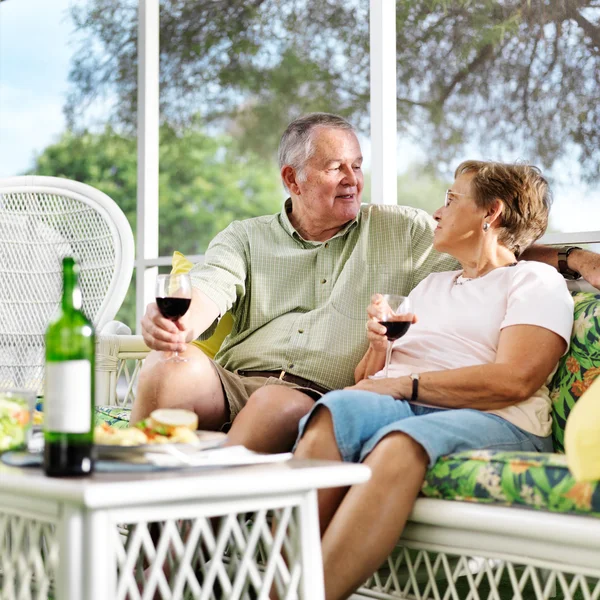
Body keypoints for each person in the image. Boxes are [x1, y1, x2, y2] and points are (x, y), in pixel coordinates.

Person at [132, 112, 598, 453]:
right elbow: (211, 288)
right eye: (336, 168)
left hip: (312, 394)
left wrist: (573, 257)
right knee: (164, 368)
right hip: (233, 381)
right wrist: (179, 326)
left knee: (274, 402)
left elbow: (490, 247)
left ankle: (199, 539)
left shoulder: (406, 230)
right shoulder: (246, 236)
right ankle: (140, 527)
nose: (353, 180)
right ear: (292, 178)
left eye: (357, 166)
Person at [292, 160, 574, 600]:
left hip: (498, 417)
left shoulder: (534, 280)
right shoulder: (431, 285)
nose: (437, 213)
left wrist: (406, 385)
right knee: (335, 409)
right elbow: (373, 380)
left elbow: (516, 379)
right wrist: (379, 348)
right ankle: (274, 584)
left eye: (450, 200)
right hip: (414, 401)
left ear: (491, 213)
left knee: (401, 442)